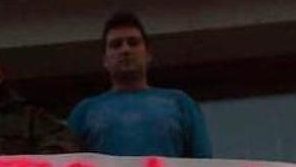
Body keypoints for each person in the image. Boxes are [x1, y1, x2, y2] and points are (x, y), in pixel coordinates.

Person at [68, 11, 212, 158]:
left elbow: (204, 164)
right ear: (105, 60)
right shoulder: (84, 112)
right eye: (116, 45)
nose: (125, 50)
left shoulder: (180, 103)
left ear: (148, 54)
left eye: (133, 43)